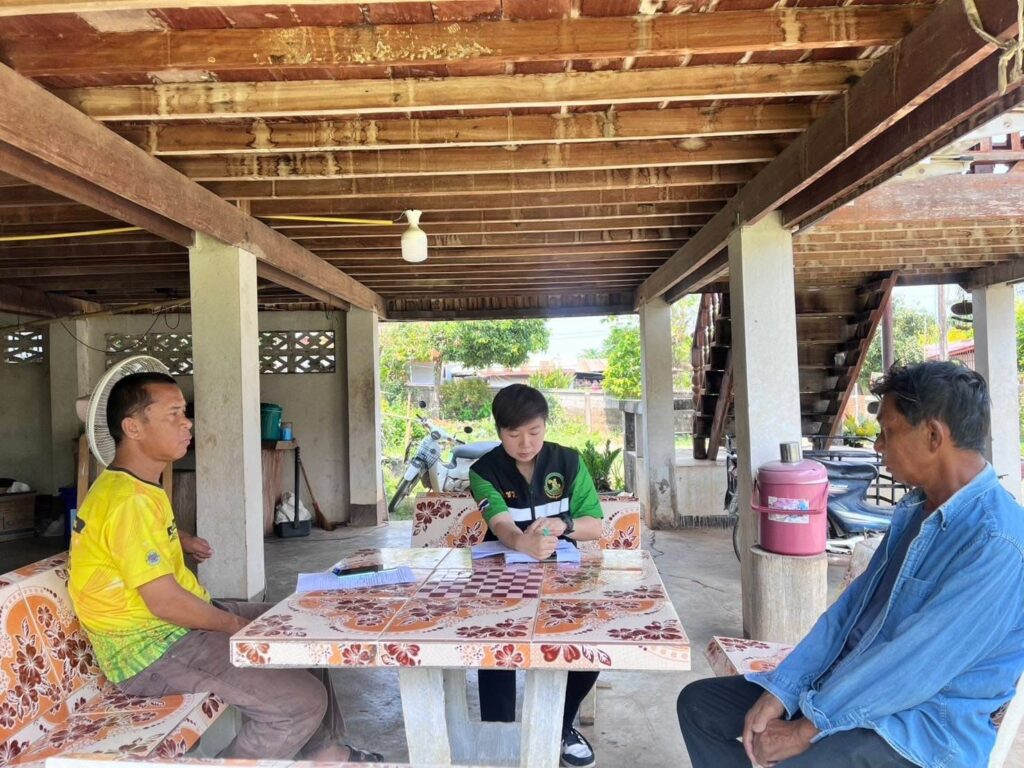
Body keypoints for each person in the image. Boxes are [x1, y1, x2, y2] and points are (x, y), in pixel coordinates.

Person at [677, 361, 1024, 768]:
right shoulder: (917, 512)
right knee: (699, 706)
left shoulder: (997, 541)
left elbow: (914, 664)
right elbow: (847, 615)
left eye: (888, 431)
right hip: (848, 686)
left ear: (933, 435)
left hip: (920, 726)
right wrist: (781, 691)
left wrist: (806, 730)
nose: (878, 445)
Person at [68, 371, 382, 762]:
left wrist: (181, 539)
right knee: (301, 704)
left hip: (173, 627)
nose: (187, 424)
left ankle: (326, 754)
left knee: (301, 626)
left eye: (185, 413)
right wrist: (234, 627)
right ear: (133, 427)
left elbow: (129, 542)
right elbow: (164, 602)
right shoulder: (128, 501)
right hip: (150, 650)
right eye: (173, 414)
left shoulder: (133, 485)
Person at [469, 384, 605, 768]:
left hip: (564, 573)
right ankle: (499, 737)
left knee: (588, 644)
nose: (525, 443)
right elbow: (499, 523)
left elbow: (595, 525)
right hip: (502, 573)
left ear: (545, 425)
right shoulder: (483, 471)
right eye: (513, 434)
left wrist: (564, 525)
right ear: (499, 431)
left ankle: (559, 726)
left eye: (534, 432)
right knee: (495, 645)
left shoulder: (569, 462)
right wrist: (521, 542)